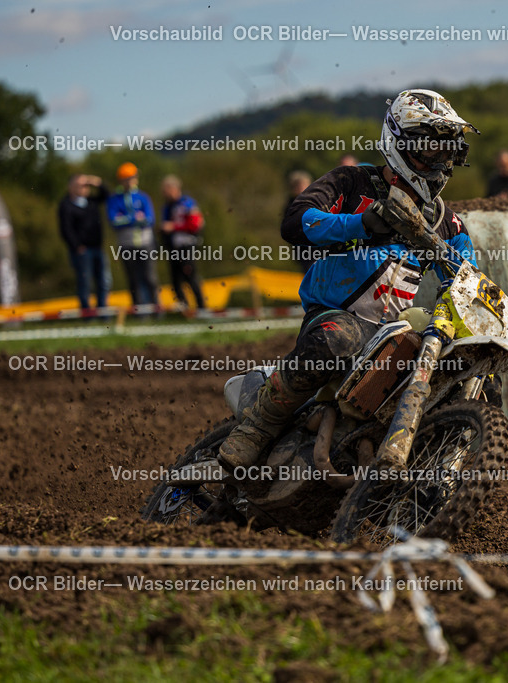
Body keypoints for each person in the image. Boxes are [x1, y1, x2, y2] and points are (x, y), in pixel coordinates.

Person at [217, 89, 482, 470]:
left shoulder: (447, 223)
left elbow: (467, 280)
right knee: (337, 338)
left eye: (447, 152)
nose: (439, 162)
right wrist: (360, 222)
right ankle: (256, 428)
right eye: (430, 150)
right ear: (400, 144)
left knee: (462, 363)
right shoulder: (353, 182)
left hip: (393, 330)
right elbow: (296, 222)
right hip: (334, 313)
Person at [107, 162, 159, 311]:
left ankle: (156, 309)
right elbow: (114, 221)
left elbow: (149, 219)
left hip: (145, 243)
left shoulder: (143, 197)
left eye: (132, 177)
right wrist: (134, 218)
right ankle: (139, 311)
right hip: (126, 244)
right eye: (126, 178)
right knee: (133, 280)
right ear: (121, 180)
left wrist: (126, 218)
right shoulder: (114, 199)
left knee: (150, 278)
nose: (130, 181)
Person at [58, 173, 110, 311]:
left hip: (98, 247)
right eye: (81, 185)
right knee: (85, 283)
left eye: (87, 185)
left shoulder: (91, 201)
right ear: (71, 187)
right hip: (82, 251)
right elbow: (66, 229)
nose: (85, 188)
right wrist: (77, 246)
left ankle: (102, 311)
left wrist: (96, 182)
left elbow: (107, 195)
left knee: (103, 281)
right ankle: (87, 313)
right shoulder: (66, 205)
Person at [160, 175, 206, 311]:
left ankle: (202, 307)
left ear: (174, 188)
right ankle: (184, 308)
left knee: (190, 276)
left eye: (166, 190)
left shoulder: (187, 203)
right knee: (175, 279)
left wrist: (173, 227)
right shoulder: (167, 206)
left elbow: (195, 224)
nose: (164, 193)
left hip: (187, 245)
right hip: (173, 247)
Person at [285, 170, 317, 272]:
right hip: (304, 250)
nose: (302, 188)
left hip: (320, 247)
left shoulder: (317, 201)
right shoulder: (291, 206)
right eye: (298, 186)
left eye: (304, 185)